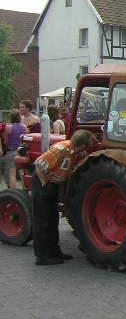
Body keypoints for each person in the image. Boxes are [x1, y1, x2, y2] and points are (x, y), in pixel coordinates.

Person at [32, 129, 93, 265]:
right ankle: (43, 256)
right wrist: (45, 185)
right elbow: (40, 165)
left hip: (53, 184)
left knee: (52, 219)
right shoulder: (60, 149)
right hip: (44, 182)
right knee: (43, 220)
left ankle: (54, 252)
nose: (91, 144)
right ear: (83, 144)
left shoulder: (77, 152)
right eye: (89, 142)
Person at [2, 110, 28, 188]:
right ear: (19, 117)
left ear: (11, 117)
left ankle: (12, 192)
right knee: (22, 173)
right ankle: (25, 190)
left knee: (12, 174)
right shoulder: (24, 127)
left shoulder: (8, 127)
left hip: (11, 152)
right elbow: (26, 140)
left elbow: (5, 142)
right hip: (21, 153)